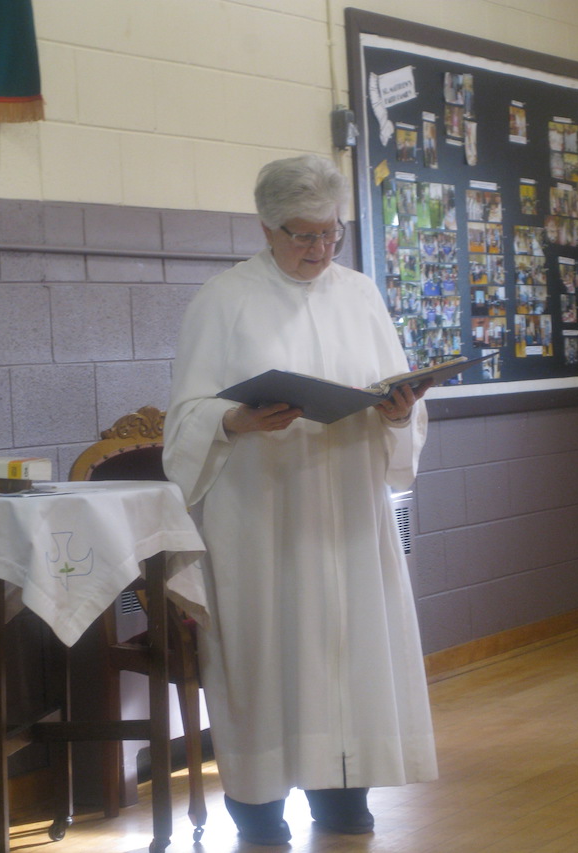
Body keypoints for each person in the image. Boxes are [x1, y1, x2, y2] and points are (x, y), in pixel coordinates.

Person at [162, 154, 438, 846]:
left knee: (349, 653)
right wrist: (236, 419)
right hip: (262, 514)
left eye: (331, 233)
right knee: (266, 659)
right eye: (304, 235)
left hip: (348, 509)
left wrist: (399, 410)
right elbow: (186, 419)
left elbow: (395, 396)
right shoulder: (223, 300)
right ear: (265, 228)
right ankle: (258, 810)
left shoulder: (360, 294)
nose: (320, 250)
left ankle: (344, 796)